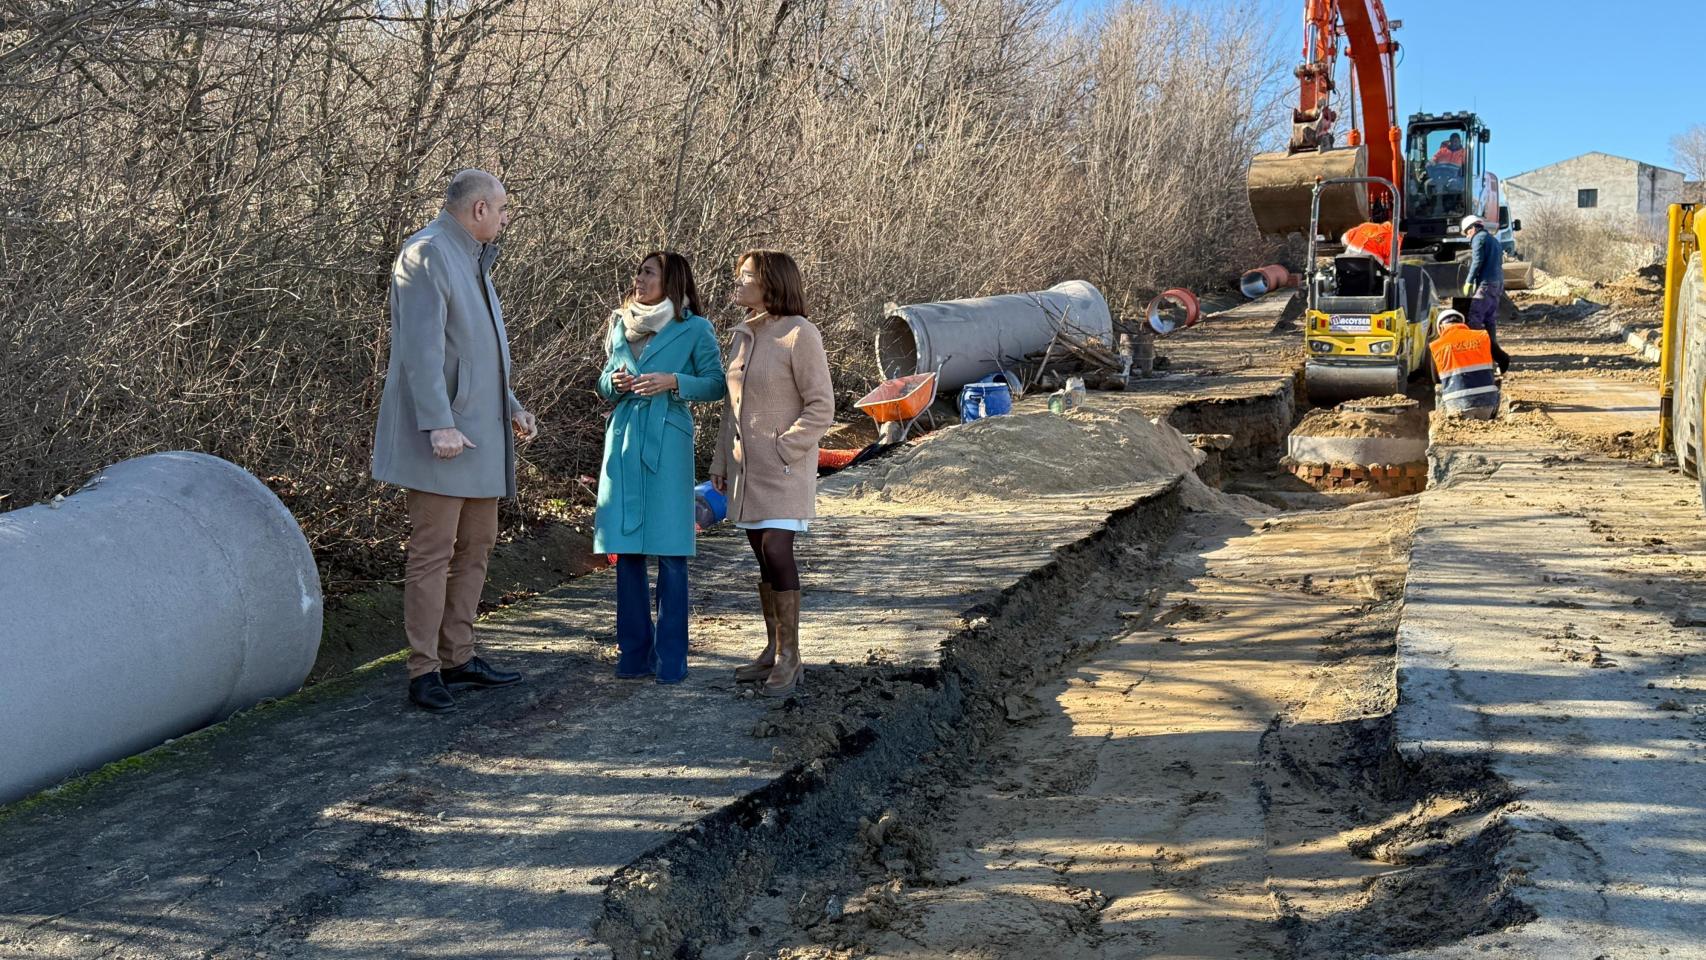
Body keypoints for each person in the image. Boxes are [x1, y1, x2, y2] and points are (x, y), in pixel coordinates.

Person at [373, 169, 539, 714]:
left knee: (477, 546)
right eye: (503, 208)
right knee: (432, 552)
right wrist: (438, 424)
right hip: (443, 438)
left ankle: (458, 657)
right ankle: (424, 671)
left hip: (480, 433)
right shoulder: (426, 254)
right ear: (478, 210)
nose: (507, 217)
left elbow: (474, 351)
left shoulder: (470, 255)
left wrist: (510, 405)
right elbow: (419, 350)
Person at [593, 253, 727, 683]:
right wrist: (610, 383)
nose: (638, 278)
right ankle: (632, 655)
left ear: (671, 281)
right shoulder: (619, 322)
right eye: (638, 271)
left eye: (648, 272)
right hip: (623, 440)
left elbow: (716, 383)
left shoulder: (694, 328)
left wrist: (673, 382)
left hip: (667, 442)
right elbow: (603, 378)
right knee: (626, 550)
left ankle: (672, 660)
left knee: (671, 552)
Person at [709, 251, 834, 698]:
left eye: (745, 278)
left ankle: (790, 656)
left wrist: (785, 447)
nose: (737, 285)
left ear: (770, 283)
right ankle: (772, 648)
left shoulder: (801, 334)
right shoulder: (744, 335)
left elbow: (822, 405)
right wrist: (721, 463)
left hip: (783, 469)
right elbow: (732, 409)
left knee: (778, 549)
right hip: (746, 469)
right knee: (762, 553)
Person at [1459, 215, 1512, 373]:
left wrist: (1469, 280)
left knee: (1474, 321)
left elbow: (1477, 261)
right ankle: (1493, 359)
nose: (1468, 236)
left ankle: (1479, 359)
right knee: (1489, 322)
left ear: (1472, 228)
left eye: (1467, 233)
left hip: (1486, 285)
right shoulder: (1493, 239)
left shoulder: (1478, 238)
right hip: (1497, 284)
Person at [1430, 309, 1499, 420]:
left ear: (1441, 328)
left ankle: (1441, 423)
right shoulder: (1482, 336)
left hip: (1457, 404)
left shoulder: (1437, 346)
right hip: (1487, 403)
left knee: (1439, 389)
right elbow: (1501, 361)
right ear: (1462, 324)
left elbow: (1436, 379)